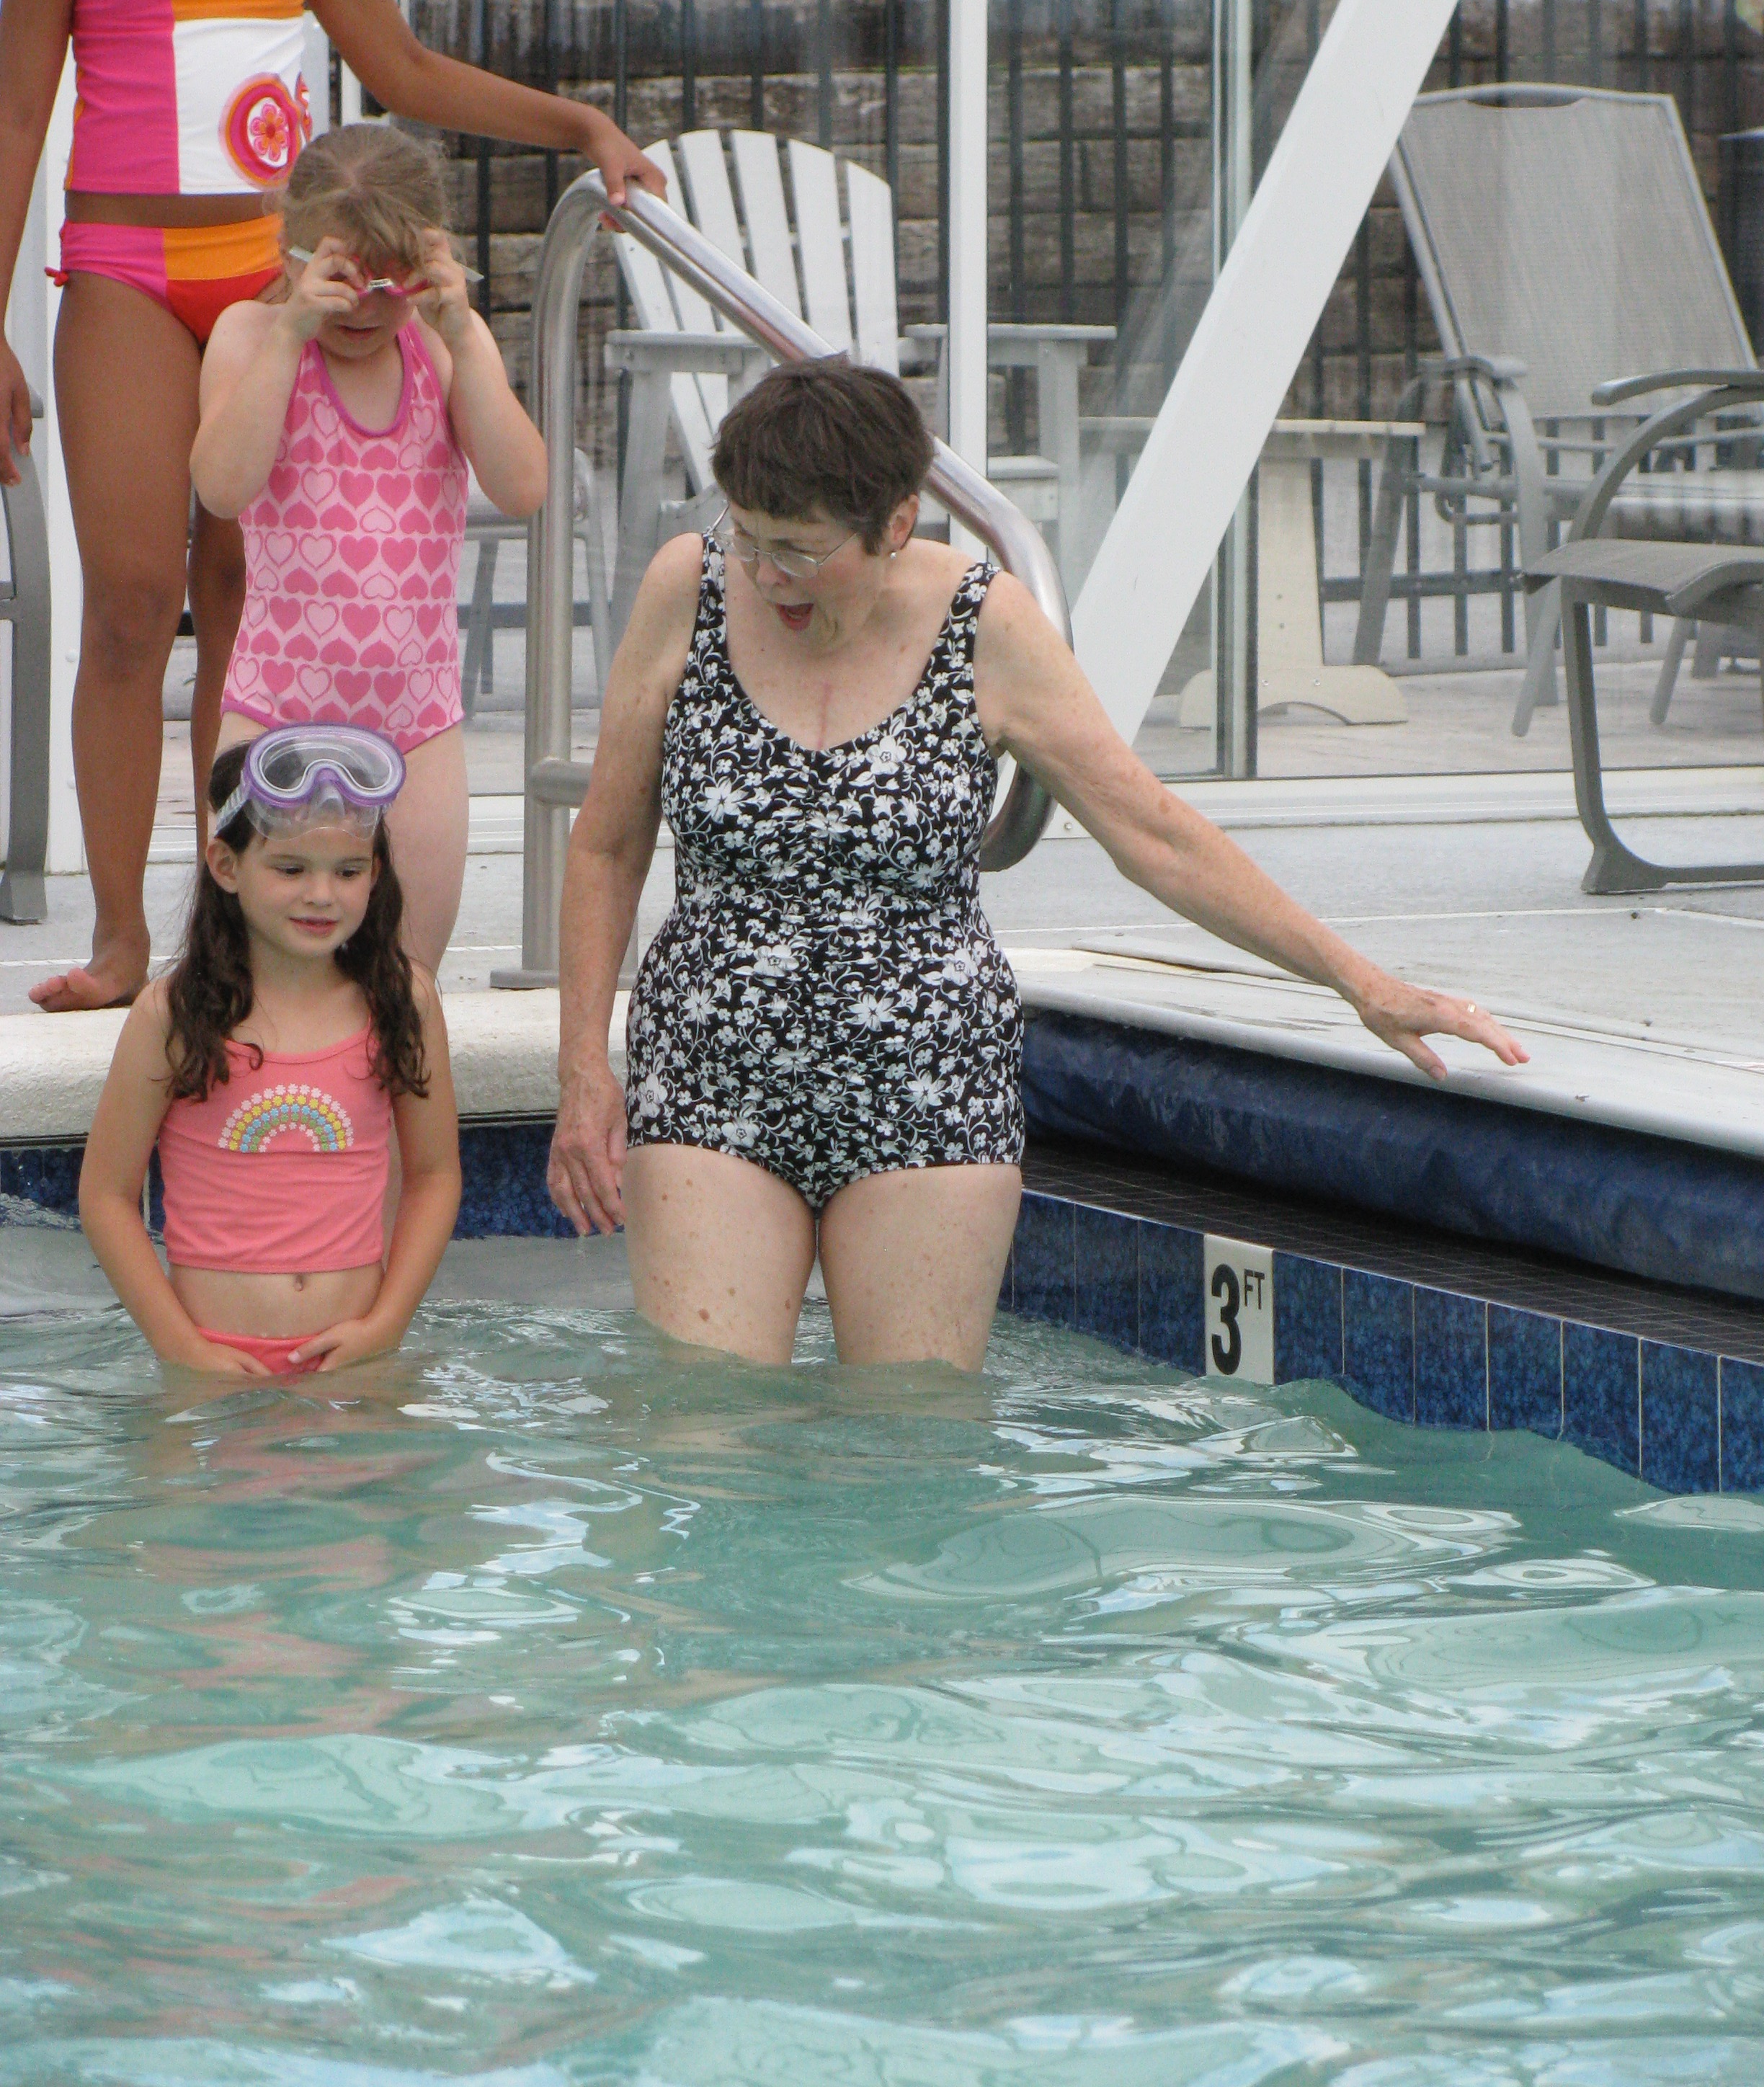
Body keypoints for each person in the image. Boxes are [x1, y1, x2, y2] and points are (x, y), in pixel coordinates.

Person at [545, 360, 1528, 1373]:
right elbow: (608, 845)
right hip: (711, 1070)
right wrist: (584, 1069)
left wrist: (1359, 982)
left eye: (799, 548)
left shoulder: (987, 625)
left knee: (909, 1437)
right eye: (747, 537)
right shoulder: (689, 589)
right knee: (700, 1419)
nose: (764, 575)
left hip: (928, 1086)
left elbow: (1152, 834)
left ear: (896, 523)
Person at [0, 0, 664, 1011]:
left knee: (241, 593)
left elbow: (400, 70)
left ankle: (232, 929)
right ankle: (123, 934)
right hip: (128, 272)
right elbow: (17, 117)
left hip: (279, 275)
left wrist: (579, 124)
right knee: (132, 603)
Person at [190, 123, 545, 973]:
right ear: (292, 254)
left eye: (393, 284)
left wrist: (465, 336)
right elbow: (222, 487)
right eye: (341, 280)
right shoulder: (251, 337)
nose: (366, 308)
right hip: (278, 711)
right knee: (263, 980)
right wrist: (288, 337)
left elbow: (523, 487)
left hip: (416, 723)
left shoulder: (441, 349)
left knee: (408, 981)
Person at [80, 724, 460, 1376]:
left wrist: (386, 1326)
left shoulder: (403, 1000)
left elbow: (435, 1176)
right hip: (213, 1364)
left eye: (347, 871)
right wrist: (184, 1350)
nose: (322, 894)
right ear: (226, 866)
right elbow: (106, 1195)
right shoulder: (174, 1014)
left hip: (356, 1362)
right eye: (291, 869)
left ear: (374, 873)